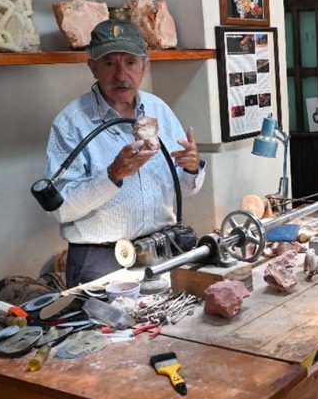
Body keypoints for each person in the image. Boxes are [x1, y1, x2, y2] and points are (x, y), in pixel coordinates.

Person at [45, 20, 206, 287]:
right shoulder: (71, 123)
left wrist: (191, 169)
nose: (121, 75)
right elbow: (60, 209)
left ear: (145, 66)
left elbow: (184, 189)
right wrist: (112, 175)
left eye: (130, 62)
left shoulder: (160, 110)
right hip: (101, 261)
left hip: (161, 250)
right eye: (109, 63)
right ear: (92, 66)